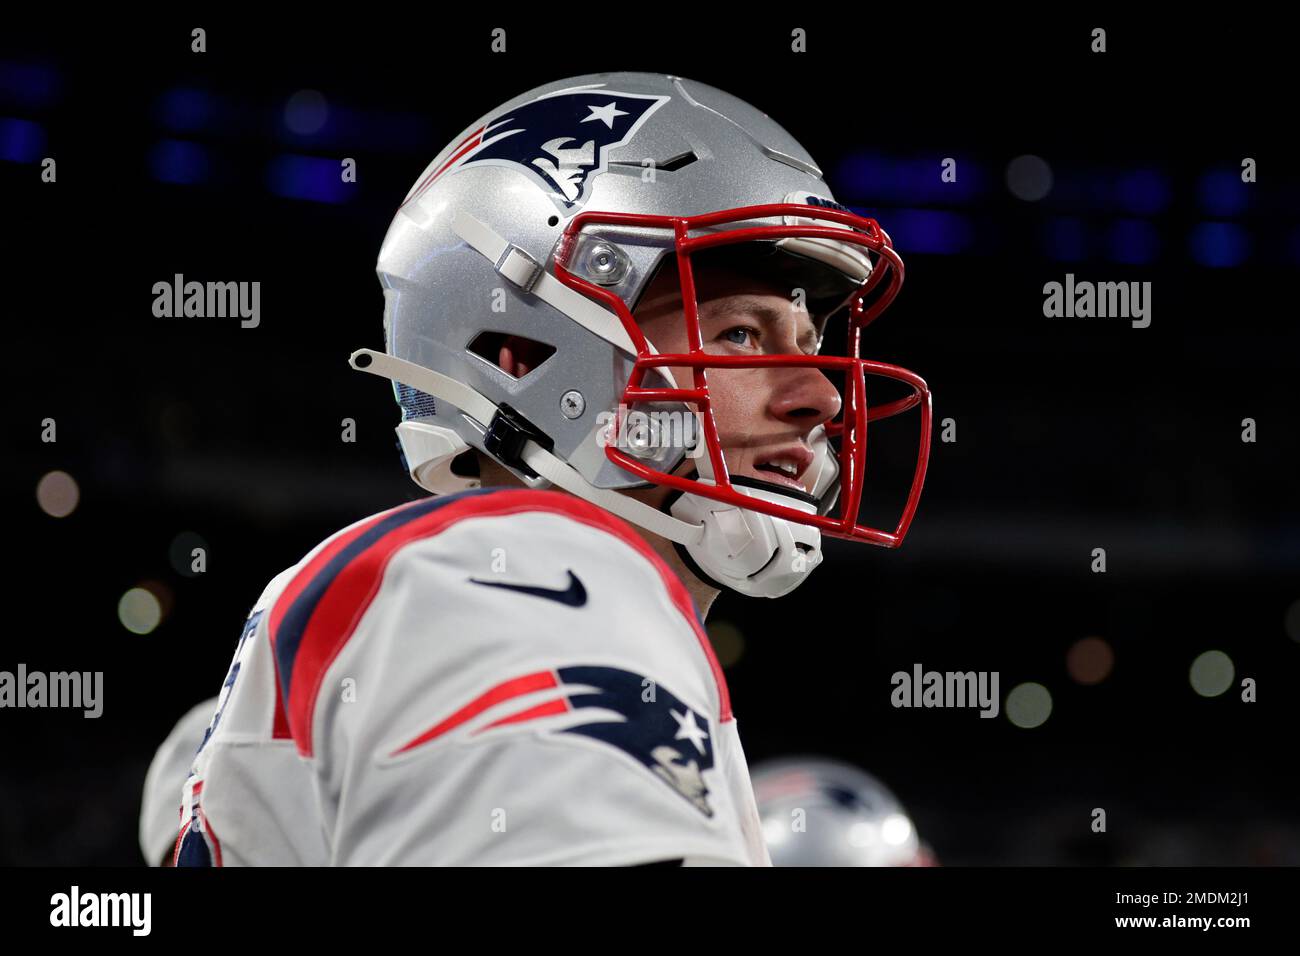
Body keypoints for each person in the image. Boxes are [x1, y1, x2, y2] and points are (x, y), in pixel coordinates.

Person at [175, 71, 930, 866]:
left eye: (810, 349)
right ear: (520, 355)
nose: (822, 398)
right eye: (741, 336)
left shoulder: (435, 582)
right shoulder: (533, 578)